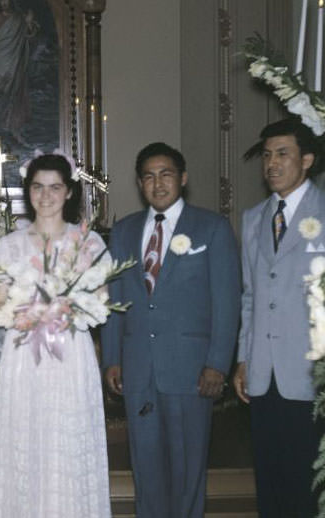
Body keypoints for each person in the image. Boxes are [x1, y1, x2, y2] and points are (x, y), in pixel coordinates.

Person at [232, 119, 325, 517]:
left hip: (313, 374)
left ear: (306, 160)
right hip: (262, 372)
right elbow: (251, 296)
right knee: (270, 483)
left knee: (309, 485)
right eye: (268, 155)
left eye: (283, 153)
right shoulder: (254, 218)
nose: (272, 163)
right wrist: (244, 356)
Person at [101, 142, 241, 518]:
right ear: (139, 183)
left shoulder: (212, 228)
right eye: (148, 176)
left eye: (166, 175)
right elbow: (115, 301)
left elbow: (227, 303)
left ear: (183, 178)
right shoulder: (125, 231)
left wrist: (217, 364)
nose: (157, 184)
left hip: (191, 370)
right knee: (145, 469)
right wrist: (112, 358)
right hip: (138, 369)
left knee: (187, 470)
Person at [0, 154, 111, 517]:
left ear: (69, 192)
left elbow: (102, 300)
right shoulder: (9, 245)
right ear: (28, 191)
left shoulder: (88, 243)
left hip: (71, 353)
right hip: (24, 354)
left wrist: (65, 309)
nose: (46, 195)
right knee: (25, 437)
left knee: (67, 440)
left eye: (55, 187)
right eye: (38, 187)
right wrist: (26, 312)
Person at [0, 0, 38, 144]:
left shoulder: (19, 18)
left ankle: (15, 128)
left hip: (17, 61)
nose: (5, 3)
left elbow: (31, 38)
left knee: (16, 95)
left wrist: (29, 23)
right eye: (2, 0)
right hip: (1, 62)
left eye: (7, 0)